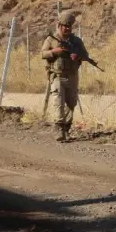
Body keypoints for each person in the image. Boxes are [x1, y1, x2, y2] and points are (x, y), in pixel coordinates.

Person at [39, 10, 89, 142]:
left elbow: (85, 55)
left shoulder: (76, 41)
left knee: (71, 103)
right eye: (65, 26)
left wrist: (77, 56)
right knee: (58, 102)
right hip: (57, 75)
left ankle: (66, 129)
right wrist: (54, 51)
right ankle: (59, 129)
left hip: (72, 75)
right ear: (59, 25)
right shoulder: (51, 39)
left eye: (69, 26)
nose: (67, 28)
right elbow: (43, 54)